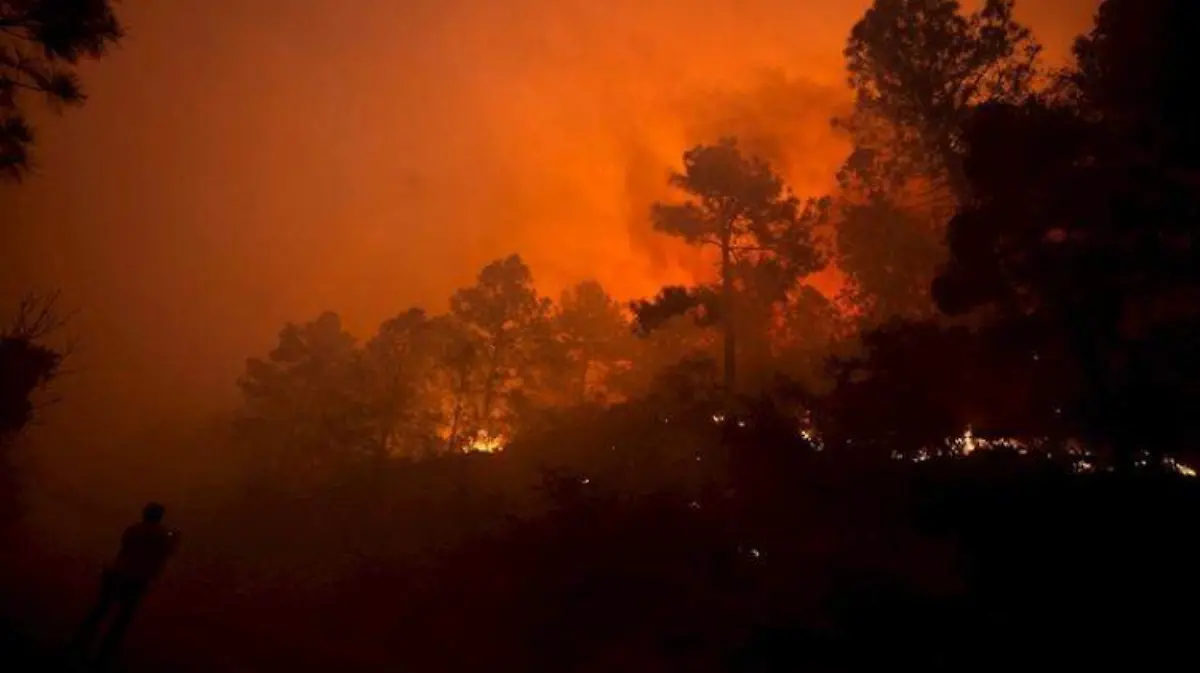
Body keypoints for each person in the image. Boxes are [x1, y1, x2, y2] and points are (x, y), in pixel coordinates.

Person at [71, 501, 180, 668]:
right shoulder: (162, 536)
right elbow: (167, 553)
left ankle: (81, 640)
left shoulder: (133, 529)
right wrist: (175, 539)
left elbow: (123, 550)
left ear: (145, 513)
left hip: (118, 573)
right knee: (123, 616)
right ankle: (105, 652)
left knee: (101, 609)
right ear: (160, 516)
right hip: (138, 579)